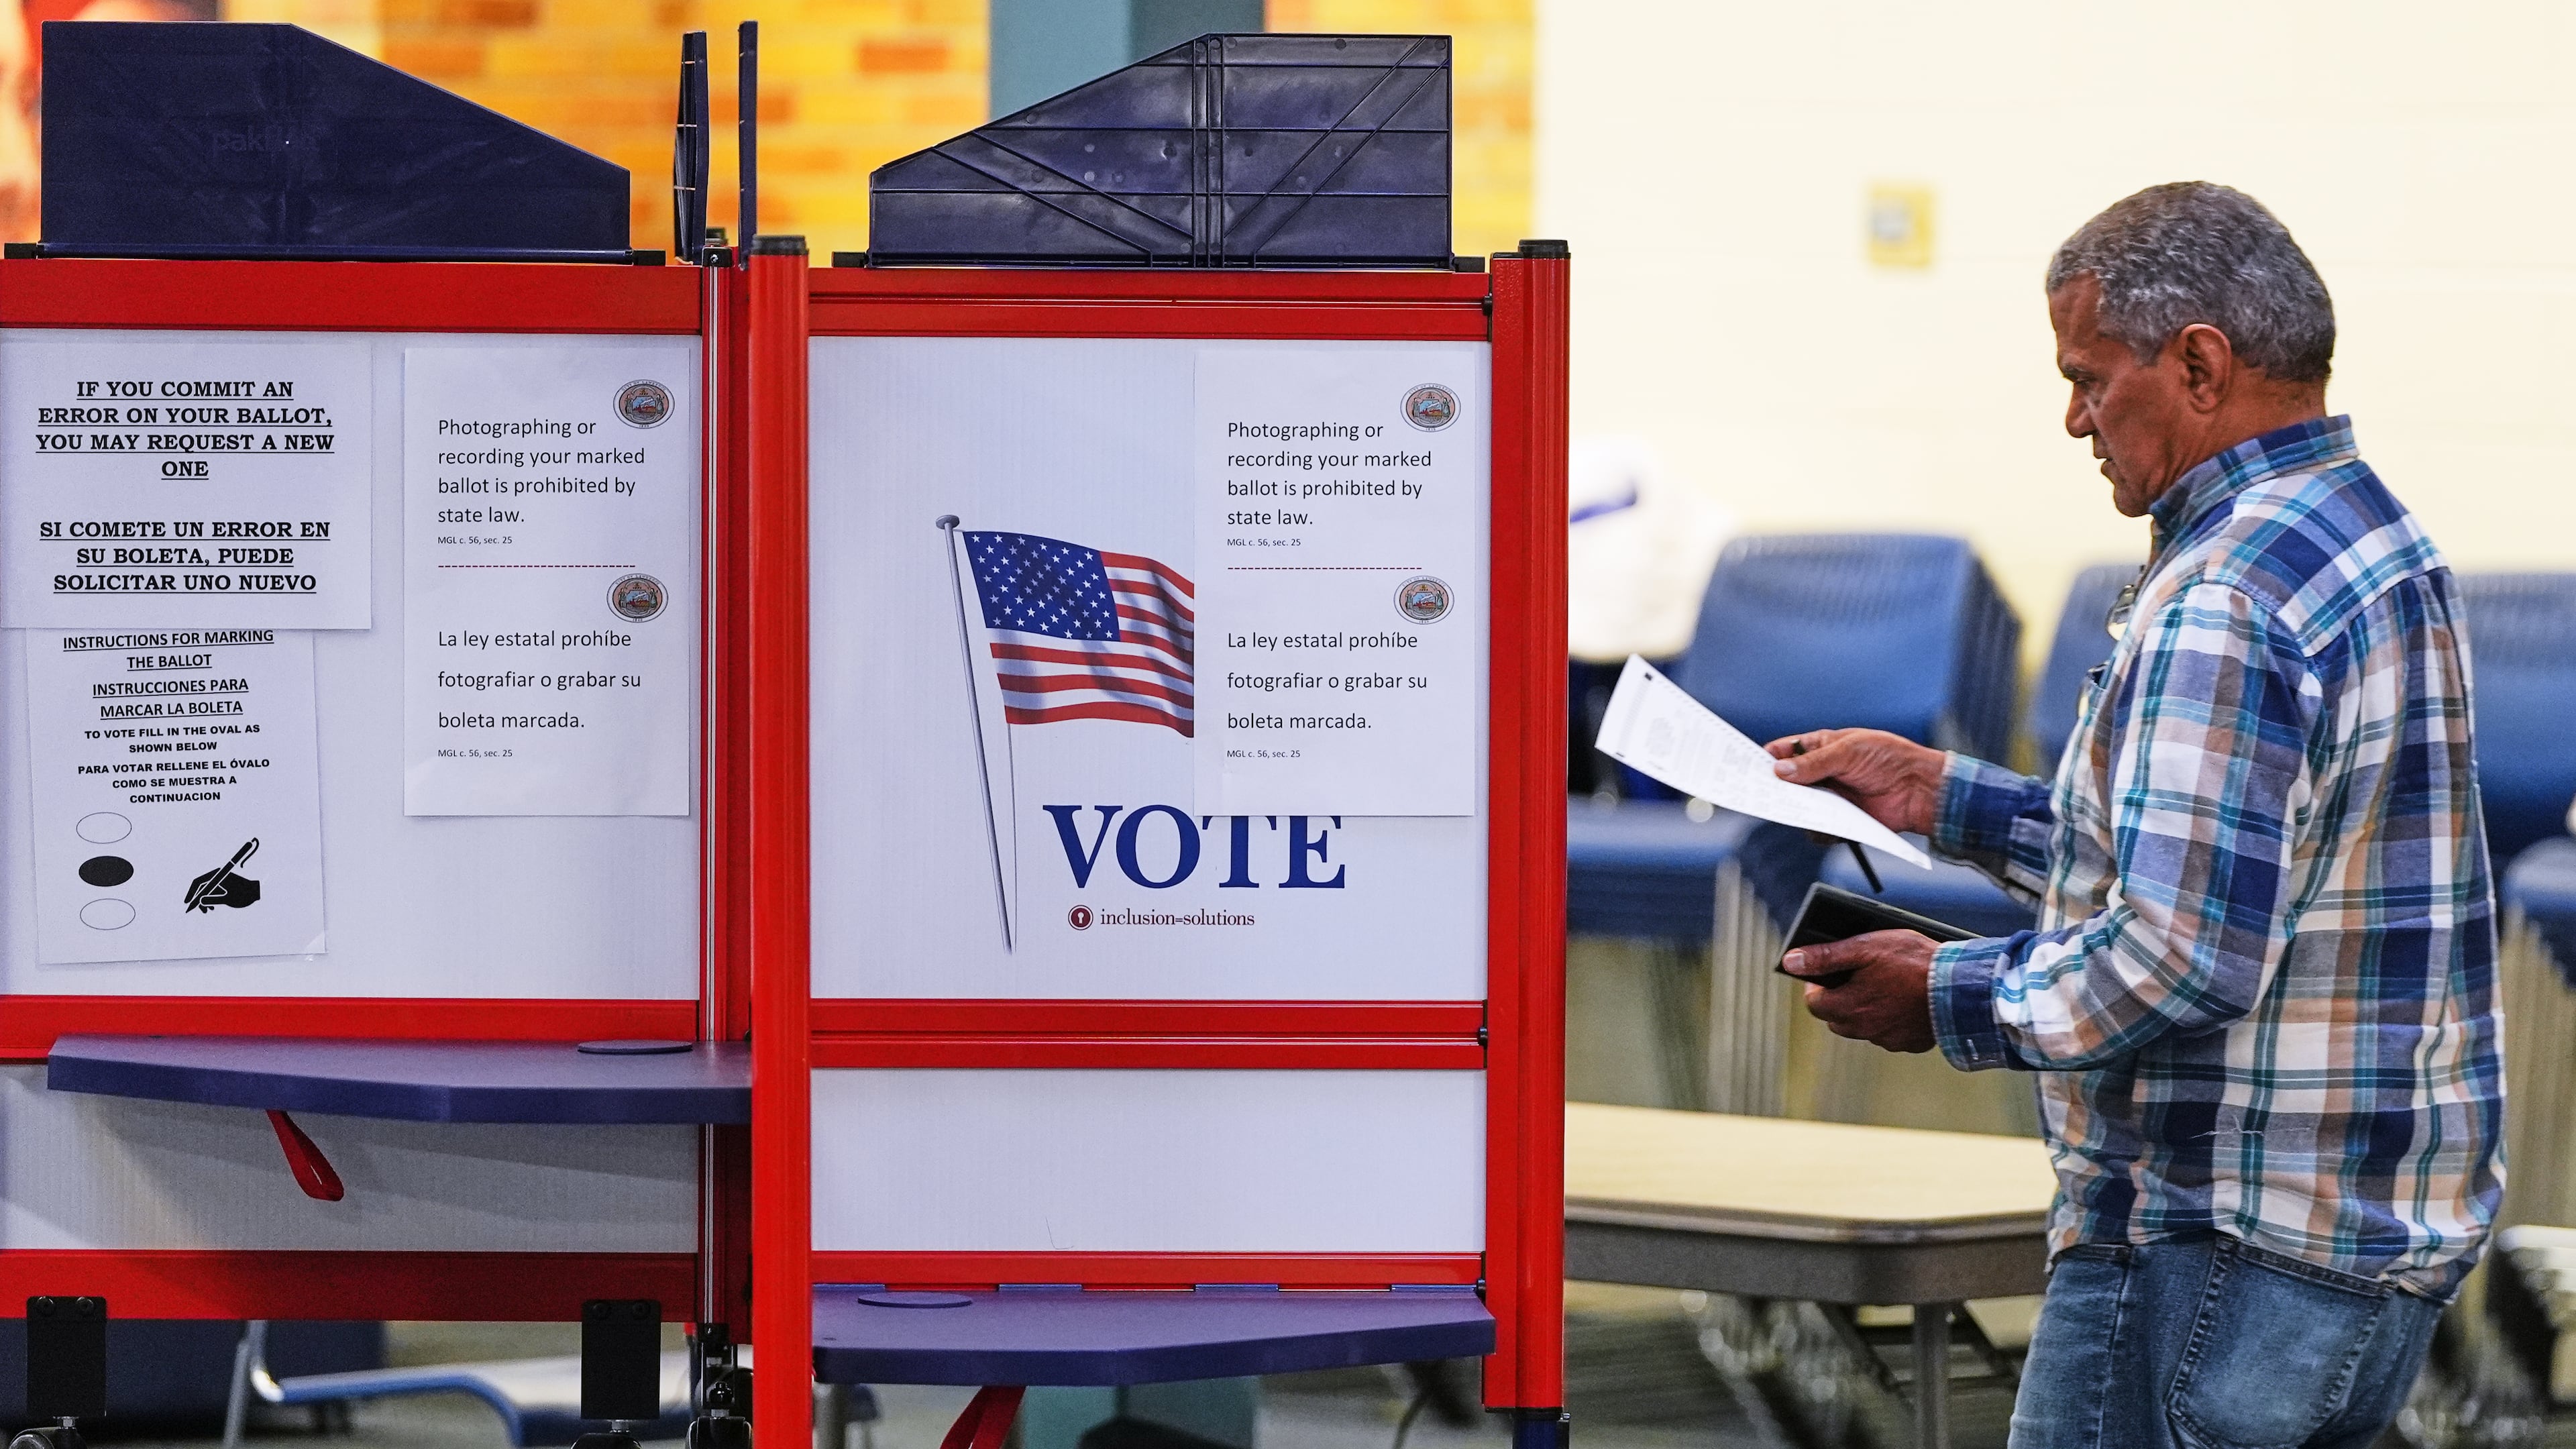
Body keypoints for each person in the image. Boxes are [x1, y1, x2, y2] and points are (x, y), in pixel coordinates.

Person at [1769, 182, 2504, 1448]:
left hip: (2218, 1245)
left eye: (2089, 376)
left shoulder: (2224, 593)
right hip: (2355, 1242)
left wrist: (1944, 996)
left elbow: (2180, 951)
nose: (2072, 419)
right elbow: (2234, 869)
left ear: (2202, 365)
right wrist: (1945, 797)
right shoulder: (2367, 533)